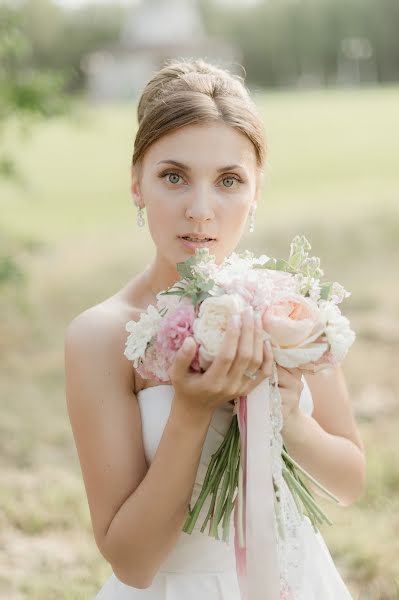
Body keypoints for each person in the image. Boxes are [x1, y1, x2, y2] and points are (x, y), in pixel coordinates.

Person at [64, 58, 365, 599]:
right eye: (173, 177)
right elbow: (132, 564)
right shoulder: (100, 336)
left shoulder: (287, 309)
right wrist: (191, 413)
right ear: (137, 184)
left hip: (296, 581)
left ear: (256, 192)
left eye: (229, 181)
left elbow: (349, 482)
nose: (200, 210)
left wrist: (289, 413)